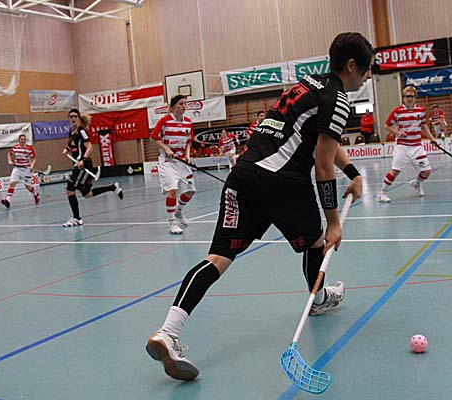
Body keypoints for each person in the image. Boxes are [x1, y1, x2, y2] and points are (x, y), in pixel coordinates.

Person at [145, 32, 374, 381]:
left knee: (217, 259)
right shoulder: (338, 98)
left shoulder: (306, 85)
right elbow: (323, 164)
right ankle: (317, 300)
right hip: (283, 183)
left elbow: (321, 141)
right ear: (352, 65)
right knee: (316, 241)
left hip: (242, 177)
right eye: (368, 69)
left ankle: (167, 332)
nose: (368, 76)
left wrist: (353, 172)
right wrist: (333, 222)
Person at [62, 108, 123, 227]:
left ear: (79, 118)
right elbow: (73, 146)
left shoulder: (82, 131)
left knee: (70, 189)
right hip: (77, 165)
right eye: (71, 116)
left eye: (75, 116)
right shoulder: (71, 133)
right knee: (87, 194)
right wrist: (66, 149)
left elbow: (90, 147)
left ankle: (77, 218)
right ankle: (112, 187)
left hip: (84, 166)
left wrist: (83, 160)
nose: (73, 118)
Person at [376, 85, 438, 203]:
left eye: (412, 96)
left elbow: (424, 126)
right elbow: (387, 125)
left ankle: (416, 183)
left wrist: (432, 139)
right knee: (395, 171)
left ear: (415, 98)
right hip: (402, 146)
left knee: (426, 172)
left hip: (417, 146)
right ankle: (382, 193)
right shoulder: (397, 111)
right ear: (403, 98)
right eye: (407, 96)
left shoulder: (420, 110)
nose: (410, 99)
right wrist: (398, 133)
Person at [150, 94, 196, 235]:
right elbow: (153, 137)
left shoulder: (188, 122)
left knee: (191, 191)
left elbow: (189, 141)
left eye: (185, 104)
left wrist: (187, 155)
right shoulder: (165, 120)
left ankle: (179, 211)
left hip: (181, 161)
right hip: (167, 161)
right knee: (173, 190)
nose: (184, 106)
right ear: (173, 106)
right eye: (181, 104)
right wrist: (166, 149)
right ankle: (172, 223)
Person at [0, 134, 40, 208]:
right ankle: (7, 200)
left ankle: (35, 195)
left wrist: (32, 166)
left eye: (24, 139)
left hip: (26, 170)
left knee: (28, 186)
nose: (23, 141)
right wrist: (9, 160)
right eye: (21, 139)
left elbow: (34, 158)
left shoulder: (29, 148)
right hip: (17, 168)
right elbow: (9, 153)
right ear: (19, 140)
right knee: (12, 184)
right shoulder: (15, 148)